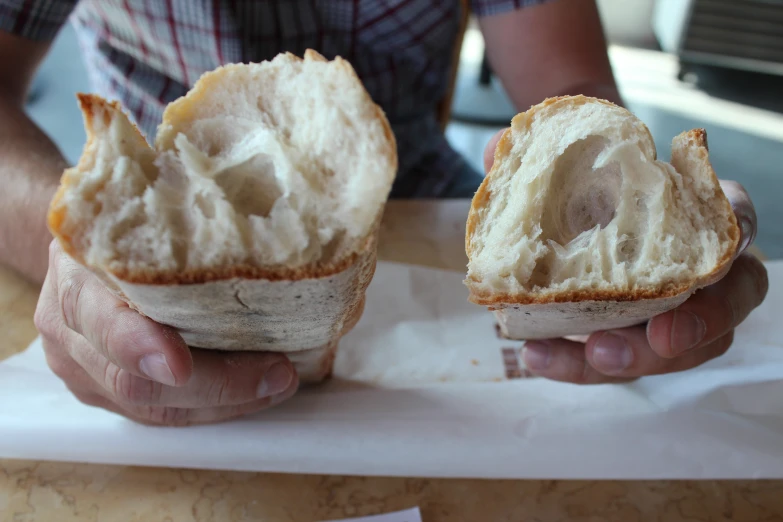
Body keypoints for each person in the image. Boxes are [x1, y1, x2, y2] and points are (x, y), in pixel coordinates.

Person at [0, 0, 767, 425]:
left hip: (424, 183)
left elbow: (570, 85)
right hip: (142, 195)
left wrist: (639, 213)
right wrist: (67, 240)